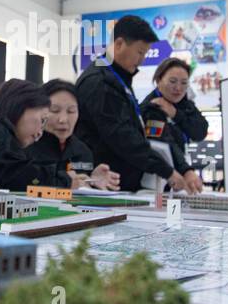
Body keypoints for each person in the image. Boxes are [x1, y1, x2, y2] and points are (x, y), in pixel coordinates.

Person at [74, 15, 186, 193]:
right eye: (140, 52)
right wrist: (166, 170)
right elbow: (123, 137)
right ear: (119, 44)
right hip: (104, 185)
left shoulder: (118, 80)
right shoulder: (100, 83)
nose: (142, 60)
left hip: (122, 184)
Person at [27, 79, 120, 190]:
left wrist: (92, 181)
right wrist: (64, 182)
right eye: (55, 110)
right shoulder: (25, 146)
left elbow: (82, 188)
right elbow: (23, 183)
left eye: (71, 111)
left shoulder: (83, 151)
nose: (63, 119)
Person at [138, 57, 207, 194]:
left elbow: (200, 131)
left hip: (177, 179)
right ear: (159, 81)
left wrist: (176, 114)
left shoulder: (184, 104)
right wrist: (186, 170)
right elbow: (162, 143)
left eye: (184, 83)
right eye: (172, 81)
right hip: (155, 181)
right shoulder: (151, 108)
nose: (178, 88)